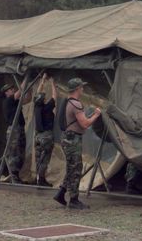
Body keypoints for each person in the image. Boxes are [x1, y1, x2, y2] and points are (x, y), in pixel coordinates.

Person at [53, 78, 101, 209]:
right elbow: (85, 124)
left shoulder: (66, 101)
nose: (83, 89)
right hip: (73, 140)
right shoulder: (76, 104)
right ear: (77, 89)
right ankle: (74, 200)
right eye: (81, 87)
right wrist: (96, 115)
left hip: (68, 138)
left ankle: (61, 193)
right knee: (76, 169)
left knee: (71, 167)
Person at [1, 78, 32, 184]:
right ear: (6, 93)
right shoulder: (8, 100)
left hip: (18, 128)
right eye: (10, 89)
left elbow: (28, 99)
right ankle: (13, 175)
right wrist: (26, 79)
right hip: (14, 129)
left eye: (12, 88)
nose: (13, 90)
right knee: (14, 152)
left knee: (20, 152)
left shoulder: (14, 101)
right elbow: (20, 92)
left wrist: (30, 88)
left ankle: (15, 175)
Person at [34, 73, 56, 186]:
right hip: (46, 136)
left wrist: (42, 80)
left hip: (37, 135)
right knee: (45, 159)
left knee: (38, 159)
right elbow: (54, 97)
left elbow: (38, 93)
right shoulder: (47, 108)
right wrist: (52, 83)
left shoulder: (36, 106)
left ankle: (37, 178)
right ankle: (41, 180)